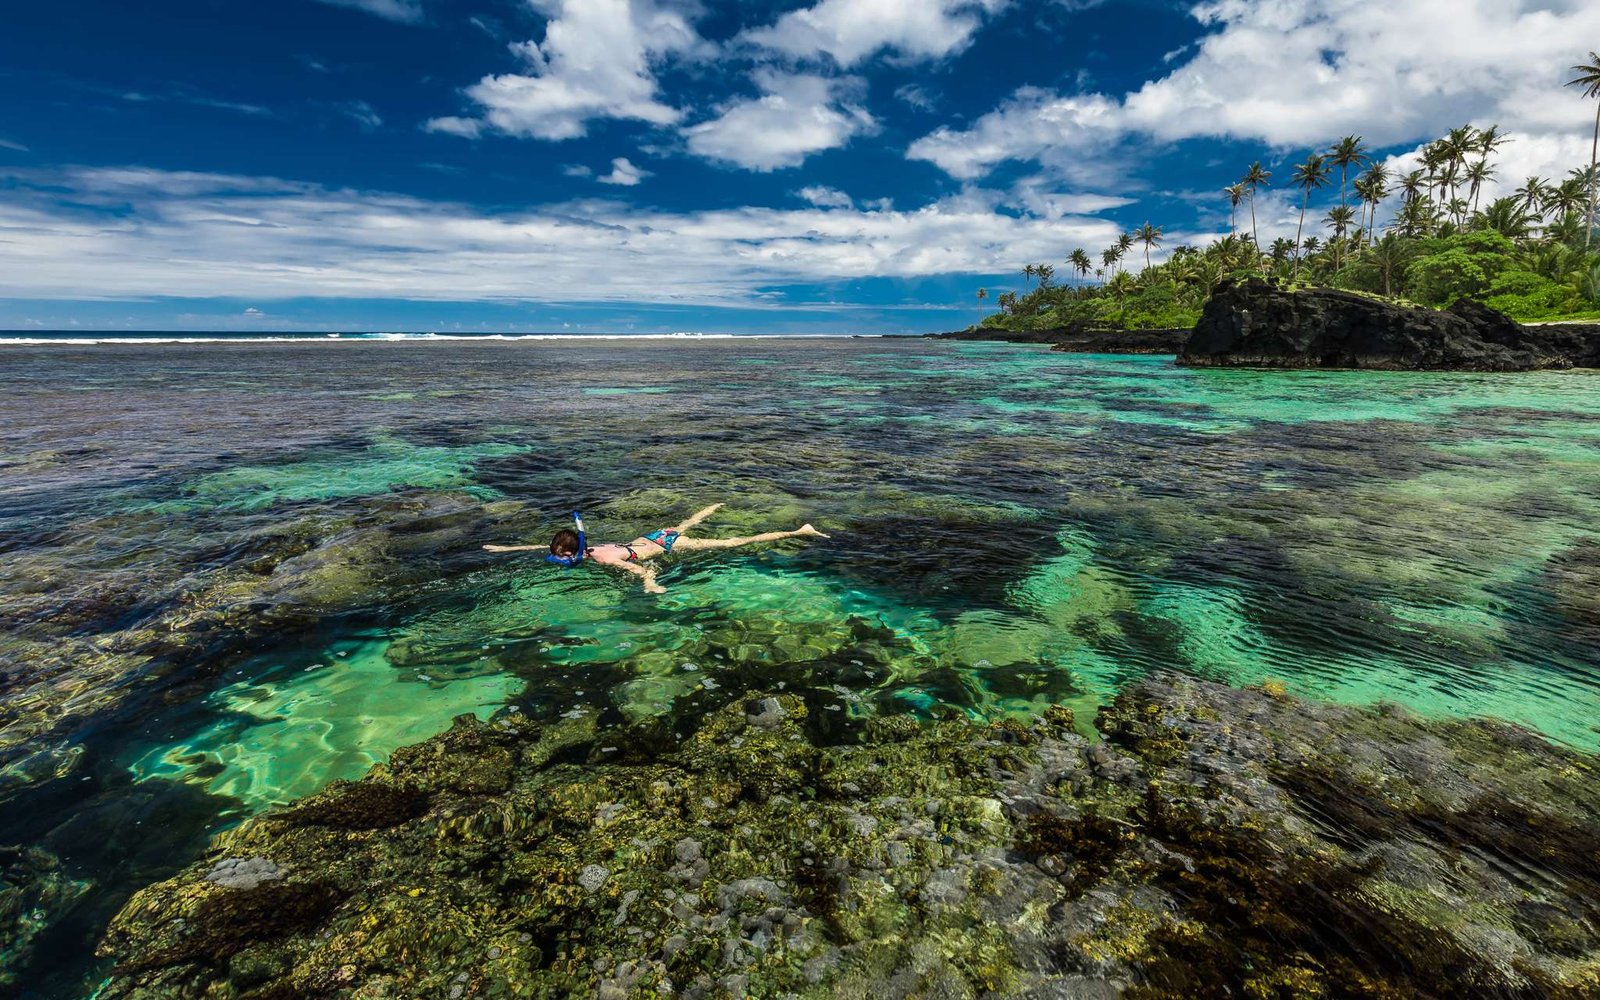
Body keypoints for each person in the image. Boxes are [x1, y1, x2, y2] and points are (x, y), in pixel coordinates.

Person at [482, 503, 828, 593]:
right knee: (689, 521)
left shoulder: (600, 558)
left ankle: (799, 530)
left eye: (560, 555)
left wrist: (650, 583)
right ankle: (712, 508)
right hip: (650, 536)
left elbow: (641, 568)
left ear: (572, 553)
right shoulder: (583, 550)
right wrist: (505, 549)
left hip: (664, 545)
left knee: (736, 541)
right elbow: (540, 547)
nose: (556, 558)